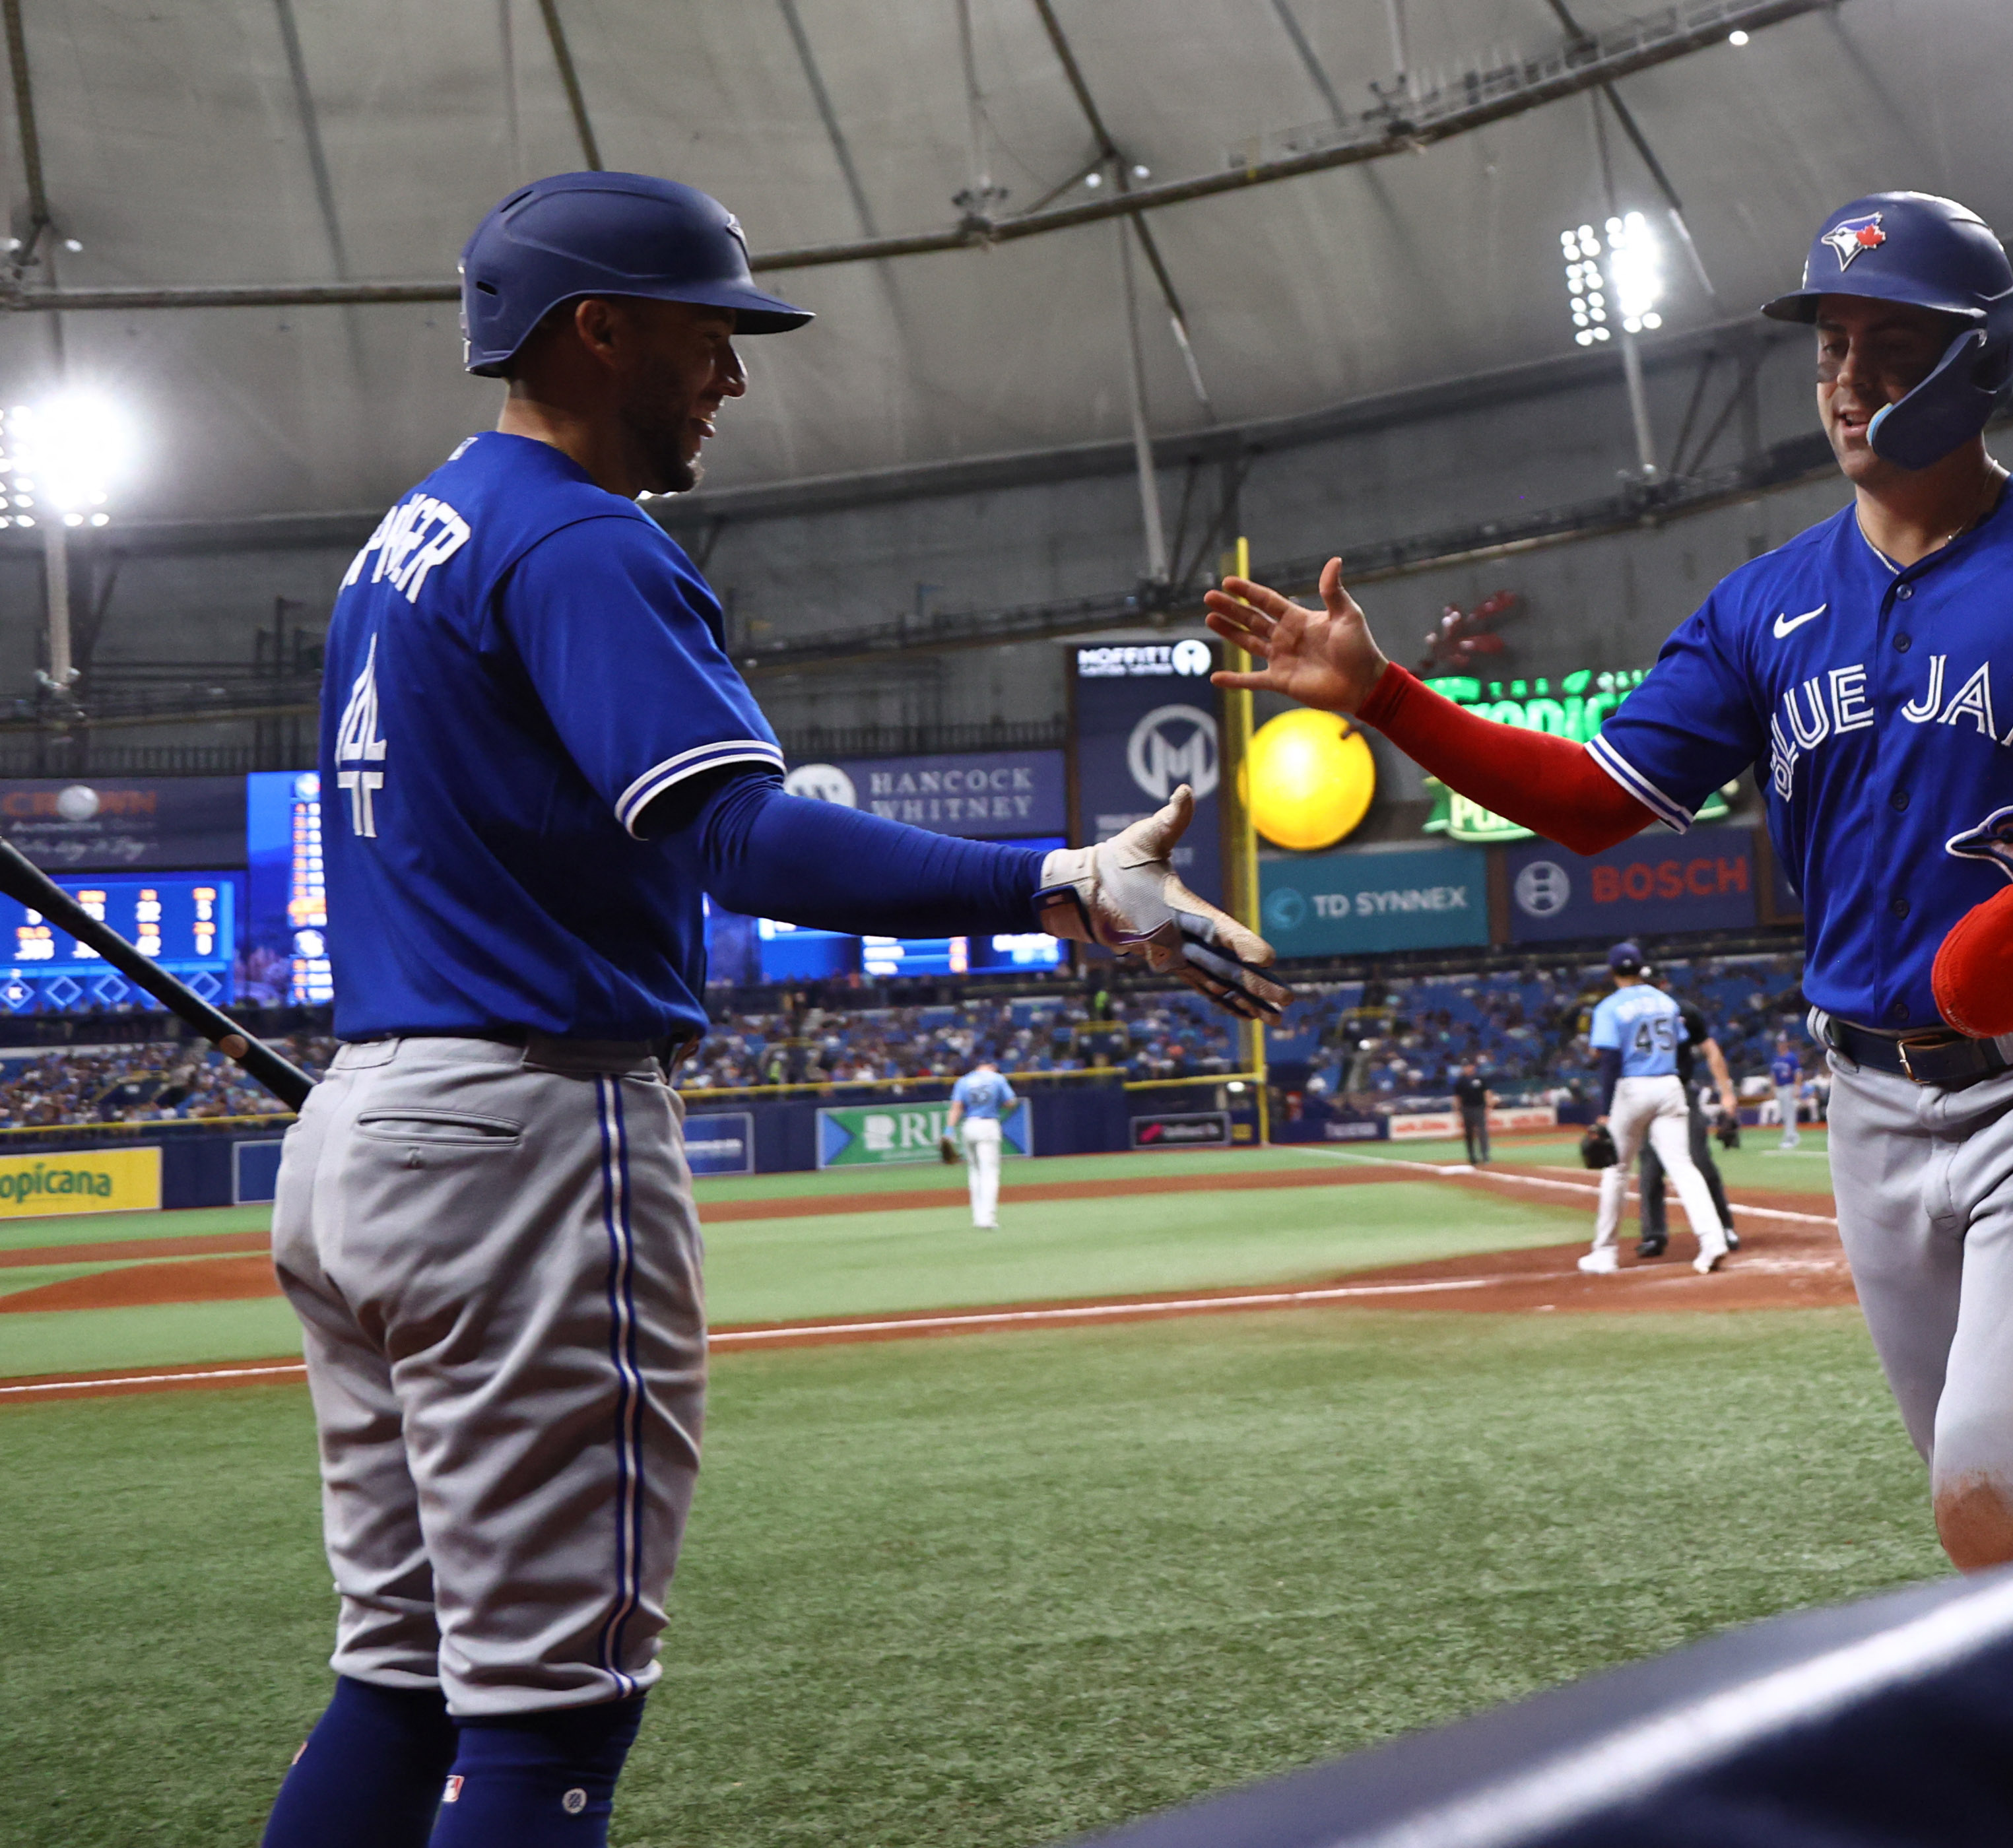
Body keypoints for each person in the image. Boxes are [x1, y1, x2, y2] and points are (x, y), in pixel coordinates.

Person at [261, 172, 1286, 1848]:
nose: (732, 375)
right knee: (545, 1711)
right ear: (599, 330)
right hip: (527, 1139)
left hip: (367, 1127)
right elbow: (738, 832)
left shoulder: (407, 535)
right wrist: (1060, 877)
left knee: (403, 1673)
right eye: (707, 334)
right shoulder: (582, 538)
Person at [1204, 190, 2013, 1569]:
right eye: (1833, 345)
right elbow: (1592, 804)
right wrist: (1384, 695)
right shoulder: (1762, 607)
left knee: (1992, 1489)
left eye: (1889, 343)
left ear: (1978, 357)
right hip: (1869, 1102)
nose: (1849, 382)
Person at [1576, 943, 1729, 1275]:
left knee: (1616, 1171)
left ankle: (1604, 1253)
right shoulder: (1666, 1001)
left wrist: (1604, 1111)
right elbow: (1680, 1044)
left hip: (1632, 1087)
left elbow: (1610, 1060)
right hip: (1670, 1085)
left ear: (1612, 972)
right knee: (1683, 1166)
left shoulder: (1608, 1007)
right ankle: (1713, 1239)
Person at [1636, 975, 1742, 1259]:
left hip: (1679, 1091)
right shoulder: (1630, 1014)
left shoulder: (1683, 1011)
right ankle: (1654, 1236)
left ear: (1663, 984)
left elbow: (1710, 1049)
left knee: (1700, 1160)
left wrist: (1726, 1092)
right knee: (1650, 1167)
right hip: (1643, 1093)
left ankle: (1724, 1227)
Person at [948, 1059, 1017, 1229]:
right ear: (992, 1067)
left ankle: (978, 1217)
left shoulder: (964, 1080)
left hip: (969, 1125)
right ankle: (987, 1219)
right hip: (988, 1125)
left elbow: (956, 1107)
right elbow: (1011, 1102)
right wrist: (997, 1103)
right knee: (990, 1173)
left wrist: (948, 1130)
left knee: (974, 1171)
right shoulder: (997, 1079)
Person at [1452, 1056, 1492, 1166]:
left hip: (1479, 1107)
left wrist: (1489, 1106)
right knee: (1469, 1134)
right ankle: (1472, 1156)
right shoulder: (1461, 1081)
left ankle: (1485, 1155)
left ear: (1473, 1066)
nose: (1466, 1068)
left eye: (1468, 1066)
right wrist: (1456, 1110)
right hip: (1466, 1109)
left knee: (1482, 1132)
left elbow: (1487, 1093)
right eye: (1464, 1067)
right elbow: (1457, 1097)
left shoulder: (1480, 1078)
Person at [1769, 1037, 1805, 1150]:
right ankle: (1790, 1135)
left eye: (1782, 1043)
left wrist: (1797, 1087)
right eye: (1779, 1044)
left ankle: (1791, 1138)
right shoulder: (1776, 1058)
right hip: (1779, 1088)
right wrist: (1773, 1088)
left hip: (1789, 1086)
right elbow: (1773, 1075)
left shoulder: (1791, 1058)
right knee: (1784, 1113)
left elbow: (1798, 1073)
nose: (1780, 1045)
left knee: (1790, 1113)